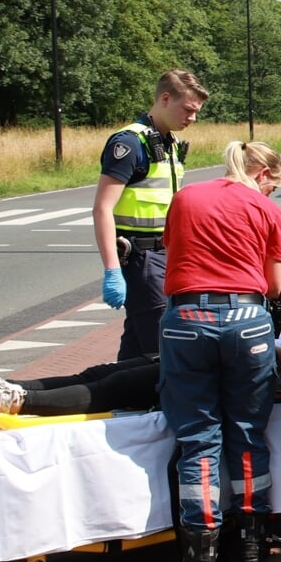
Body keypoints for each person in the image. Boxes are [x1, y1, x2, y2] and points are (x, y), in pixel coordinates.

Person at [157, 141, 281, 562]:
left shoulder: (186, 197)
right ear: (261, 173)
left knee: (198, 439)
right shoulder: (264, 208)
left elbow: (173, 254)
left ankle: (201, 558)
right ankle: (252, 542)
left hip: (186, 320)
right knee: (248, 432)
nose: (271, 192)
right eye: (273, 184)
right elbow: (274, 286)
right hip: (246, 321)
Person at [93, 70, 210, 361]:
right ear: (165, 98)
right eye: (188, 110)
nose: (192, 118)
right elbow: (102, 208)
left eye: (196, 112)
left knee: (136, 352)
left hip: (163, 257)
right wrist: (112, 270)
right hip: (141, 259)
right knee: (162, 353)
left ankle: (117, 401)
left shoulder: (166, 143)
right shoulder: (131, 144)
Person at [0, 345, 281, 417]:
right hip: (207, 349)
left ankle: (14, 401)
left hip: (218, 373)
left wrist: (264, 342)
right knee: (99, 373)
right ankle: (3, 385)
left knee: (113, 389)